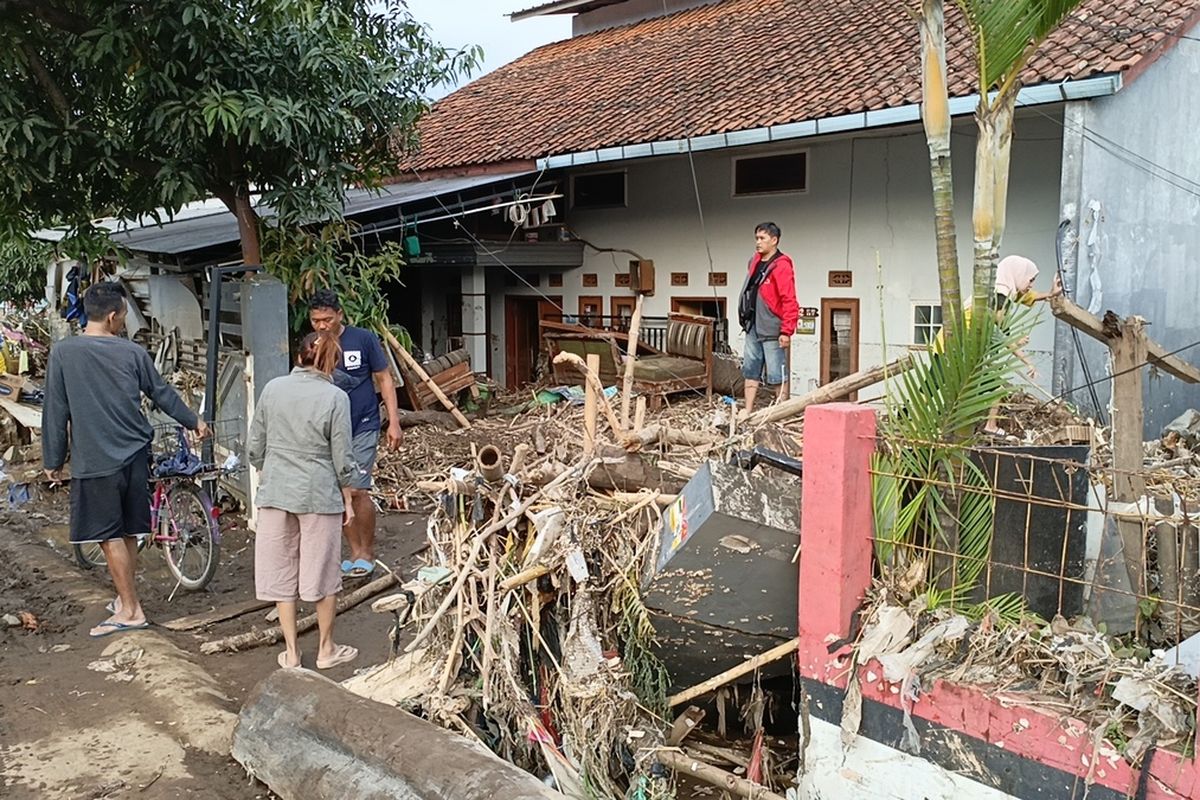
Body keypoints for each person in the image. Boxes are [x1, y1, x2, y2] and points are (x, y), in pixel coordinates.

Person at [42, 282, 209, 638]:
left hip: (96, 459)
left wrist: (53, 459)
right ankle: (124, 600)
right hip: (135, 454)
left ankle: (131, 609)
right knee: (129, 530)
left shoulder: (64, 353)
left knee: (107, 535)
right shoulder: (132, 353)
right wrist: (193, 420)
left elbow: (55, 409)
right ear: (114, 315)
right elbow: (161, 392)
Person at [247, 331, 359, 670]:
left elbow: (255, 447)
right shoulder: (336, 397)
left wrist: (270, 469)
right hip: (319, 494)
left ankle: (292, 653)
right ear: (332, 363)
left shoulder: (272, 389)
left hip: (277, 492)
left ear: (298, 357)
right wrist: (349, 496)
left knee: (281, 573)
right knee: (323, 571)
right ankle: (326, 649)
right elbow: (342, 459)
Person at [308, 289, 403, 579]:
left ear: (339, 315)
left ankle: (367, 551)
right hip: (327, 429)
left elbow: (384, 378)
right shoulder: (310, 345)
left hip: (363, 423)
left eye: (327, 319)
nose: (322, 326)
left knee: (358, 490)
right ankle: (353, 551)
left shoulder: (363, 339)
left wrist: (394, 421)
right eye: (315, 321)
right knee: (339, 493)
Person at [737, 222, 799, 417]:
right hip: (752, 323)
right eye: (756, 238)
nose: (758, 242)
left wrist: (786, 331)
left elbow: (789, 299)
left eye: (762, 238)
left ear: (774, 240)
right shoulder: (754, 261)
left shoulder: (782, 265)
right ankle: (747, 409)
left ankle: (782, 412)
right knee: (750, 367)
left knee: (776, 371)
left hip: (772, 326)